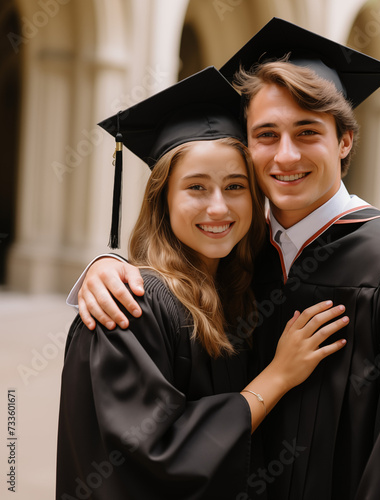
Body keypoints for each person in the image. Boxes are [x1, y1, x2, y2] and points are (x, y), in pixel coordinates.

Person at [69, 19, 380, 500]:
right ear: (249, 146)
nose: (285, 155)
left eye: (307, 131)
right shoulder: (238, 264)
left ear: (345, 140)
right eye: (266, 134)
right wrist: (105, 265)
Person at [56, 66, 350, 500]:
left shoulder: (244, 292)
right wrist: (277, 377)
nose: (218, 207)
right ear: (163, 200)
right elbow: (150, 459)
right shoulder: (130, 308)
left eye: (235, 186)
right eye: (196, 187)